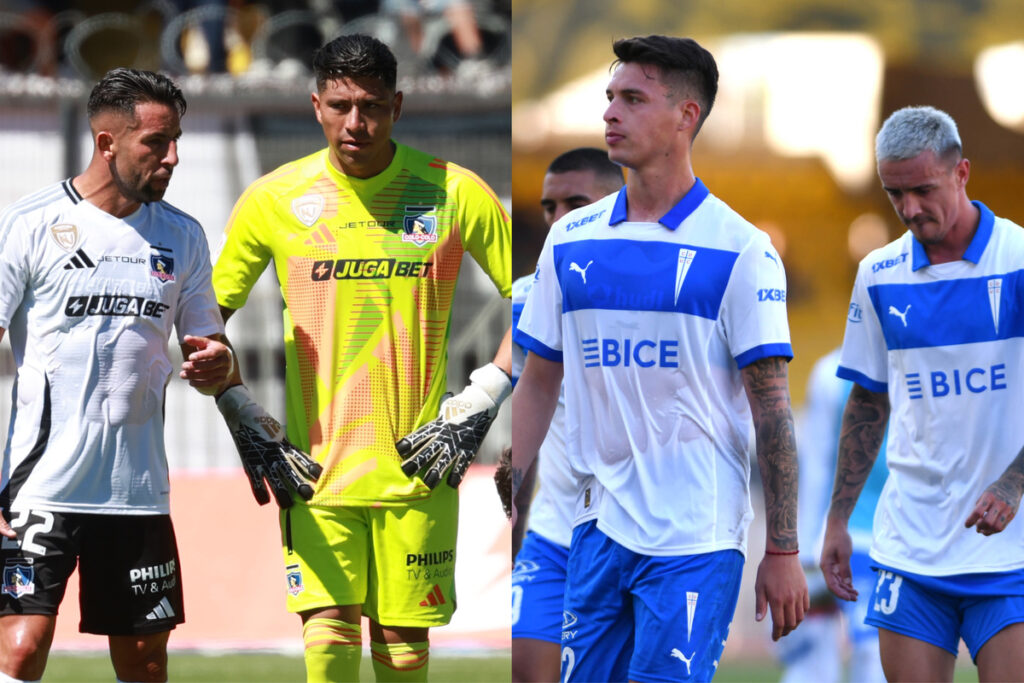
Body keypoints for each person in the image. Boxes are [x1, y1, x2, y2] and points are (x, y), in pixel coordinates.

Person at [211, 33, 511, 682]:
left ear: (398, 104)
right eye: (341, 105)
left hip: (419, 469)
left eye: (372, 105)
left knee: (404, 647)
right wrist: (238, 403)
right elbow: (203, 321)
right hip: (315, 472)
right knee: (329, 635)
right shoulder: (273, 199)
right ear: (315, 104)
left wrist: (486, 391)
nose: (356, 122)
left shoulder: (454, 192)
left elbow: (542, 298)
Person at [511, 34, 808, 682]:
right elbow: (537, 381)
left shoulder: (740, 250)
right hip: (594, 531)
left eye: (633, 99)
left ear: (686, 115)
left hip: (695, 541)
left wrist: (783, 547)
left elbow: (773, 411)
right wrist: (516, 487)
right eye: (610, 97)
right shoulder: (569, 240)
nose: (610, 114)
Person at [0, 67, 234, 682]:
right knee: (21, 649)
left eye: (177, 140)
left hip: (137, 494)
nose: (173, 157)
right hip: (40, 487)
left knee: (146, 660)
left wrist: (218, 361)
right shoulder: (31, 223)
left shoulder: (182, 236)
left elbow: (211, 345)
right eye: (156, 143)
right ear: (106, 143)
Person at [821, 105, 1024, 682]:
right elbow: (868, 400)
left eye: (922, 189)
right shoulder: (879, 274)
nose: (909, 208)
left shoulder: (1018, 260)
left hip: (1011, 550)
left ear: (962, 173)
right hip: (910, 547)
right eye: (894, 194)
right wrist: (838, 518)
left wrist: (1013, 483)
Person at [510, 147, 624, 683]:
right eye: (548, 206)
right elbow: (523, 409)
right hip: (553, 538)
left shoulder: (648, 298)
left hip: (635, 541)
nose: (558, 219)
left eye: (575, 203)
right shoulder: (524, 300)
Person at [776, 347, 887, 683]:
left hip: (895, 541)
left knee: (874, 657)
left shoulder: (924, 361)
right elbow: (816, 465)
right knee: (812, 657)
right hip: (841, 537)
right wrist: (804, 550)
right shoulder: (830, 374)